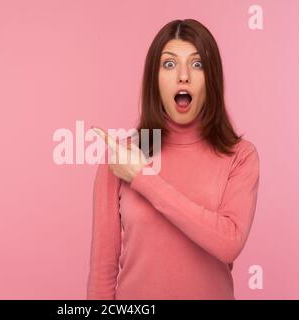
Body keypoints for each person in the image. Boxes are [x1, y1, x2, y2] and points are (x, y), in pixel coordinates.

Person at [87, 19, 260, 300]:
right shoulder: (121, 157)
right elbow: (103, 269)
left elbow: (229, 242)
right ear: (154, 79)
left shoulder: (240, 156)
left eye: (197, 64)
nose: (183, 76)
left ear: (211, 78)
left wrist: (143, 178)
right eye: (169, 64)